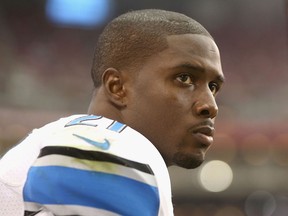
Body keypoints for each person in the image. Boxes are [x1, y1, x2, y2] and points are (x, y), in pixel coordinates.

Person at [0, 9, 225, 216]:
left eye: (213, 87)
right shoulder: (103, 147)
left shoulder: (68, 138)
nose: (211, 105)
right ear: (117, 87)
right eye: (184, 78)